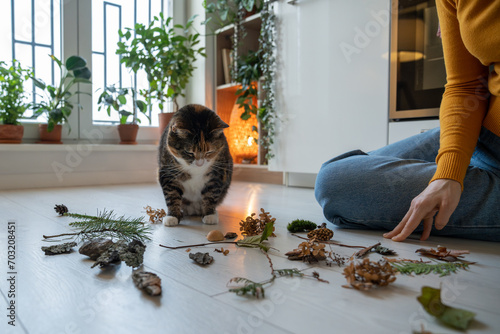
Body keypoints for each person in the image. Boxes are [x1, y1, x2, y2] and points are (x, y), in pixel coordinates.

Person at [314, 0, 500, 242]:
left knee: (340, 192)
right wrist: (448, 171)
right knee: (335, 178)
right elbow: (466, 86)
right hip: (481, 132)